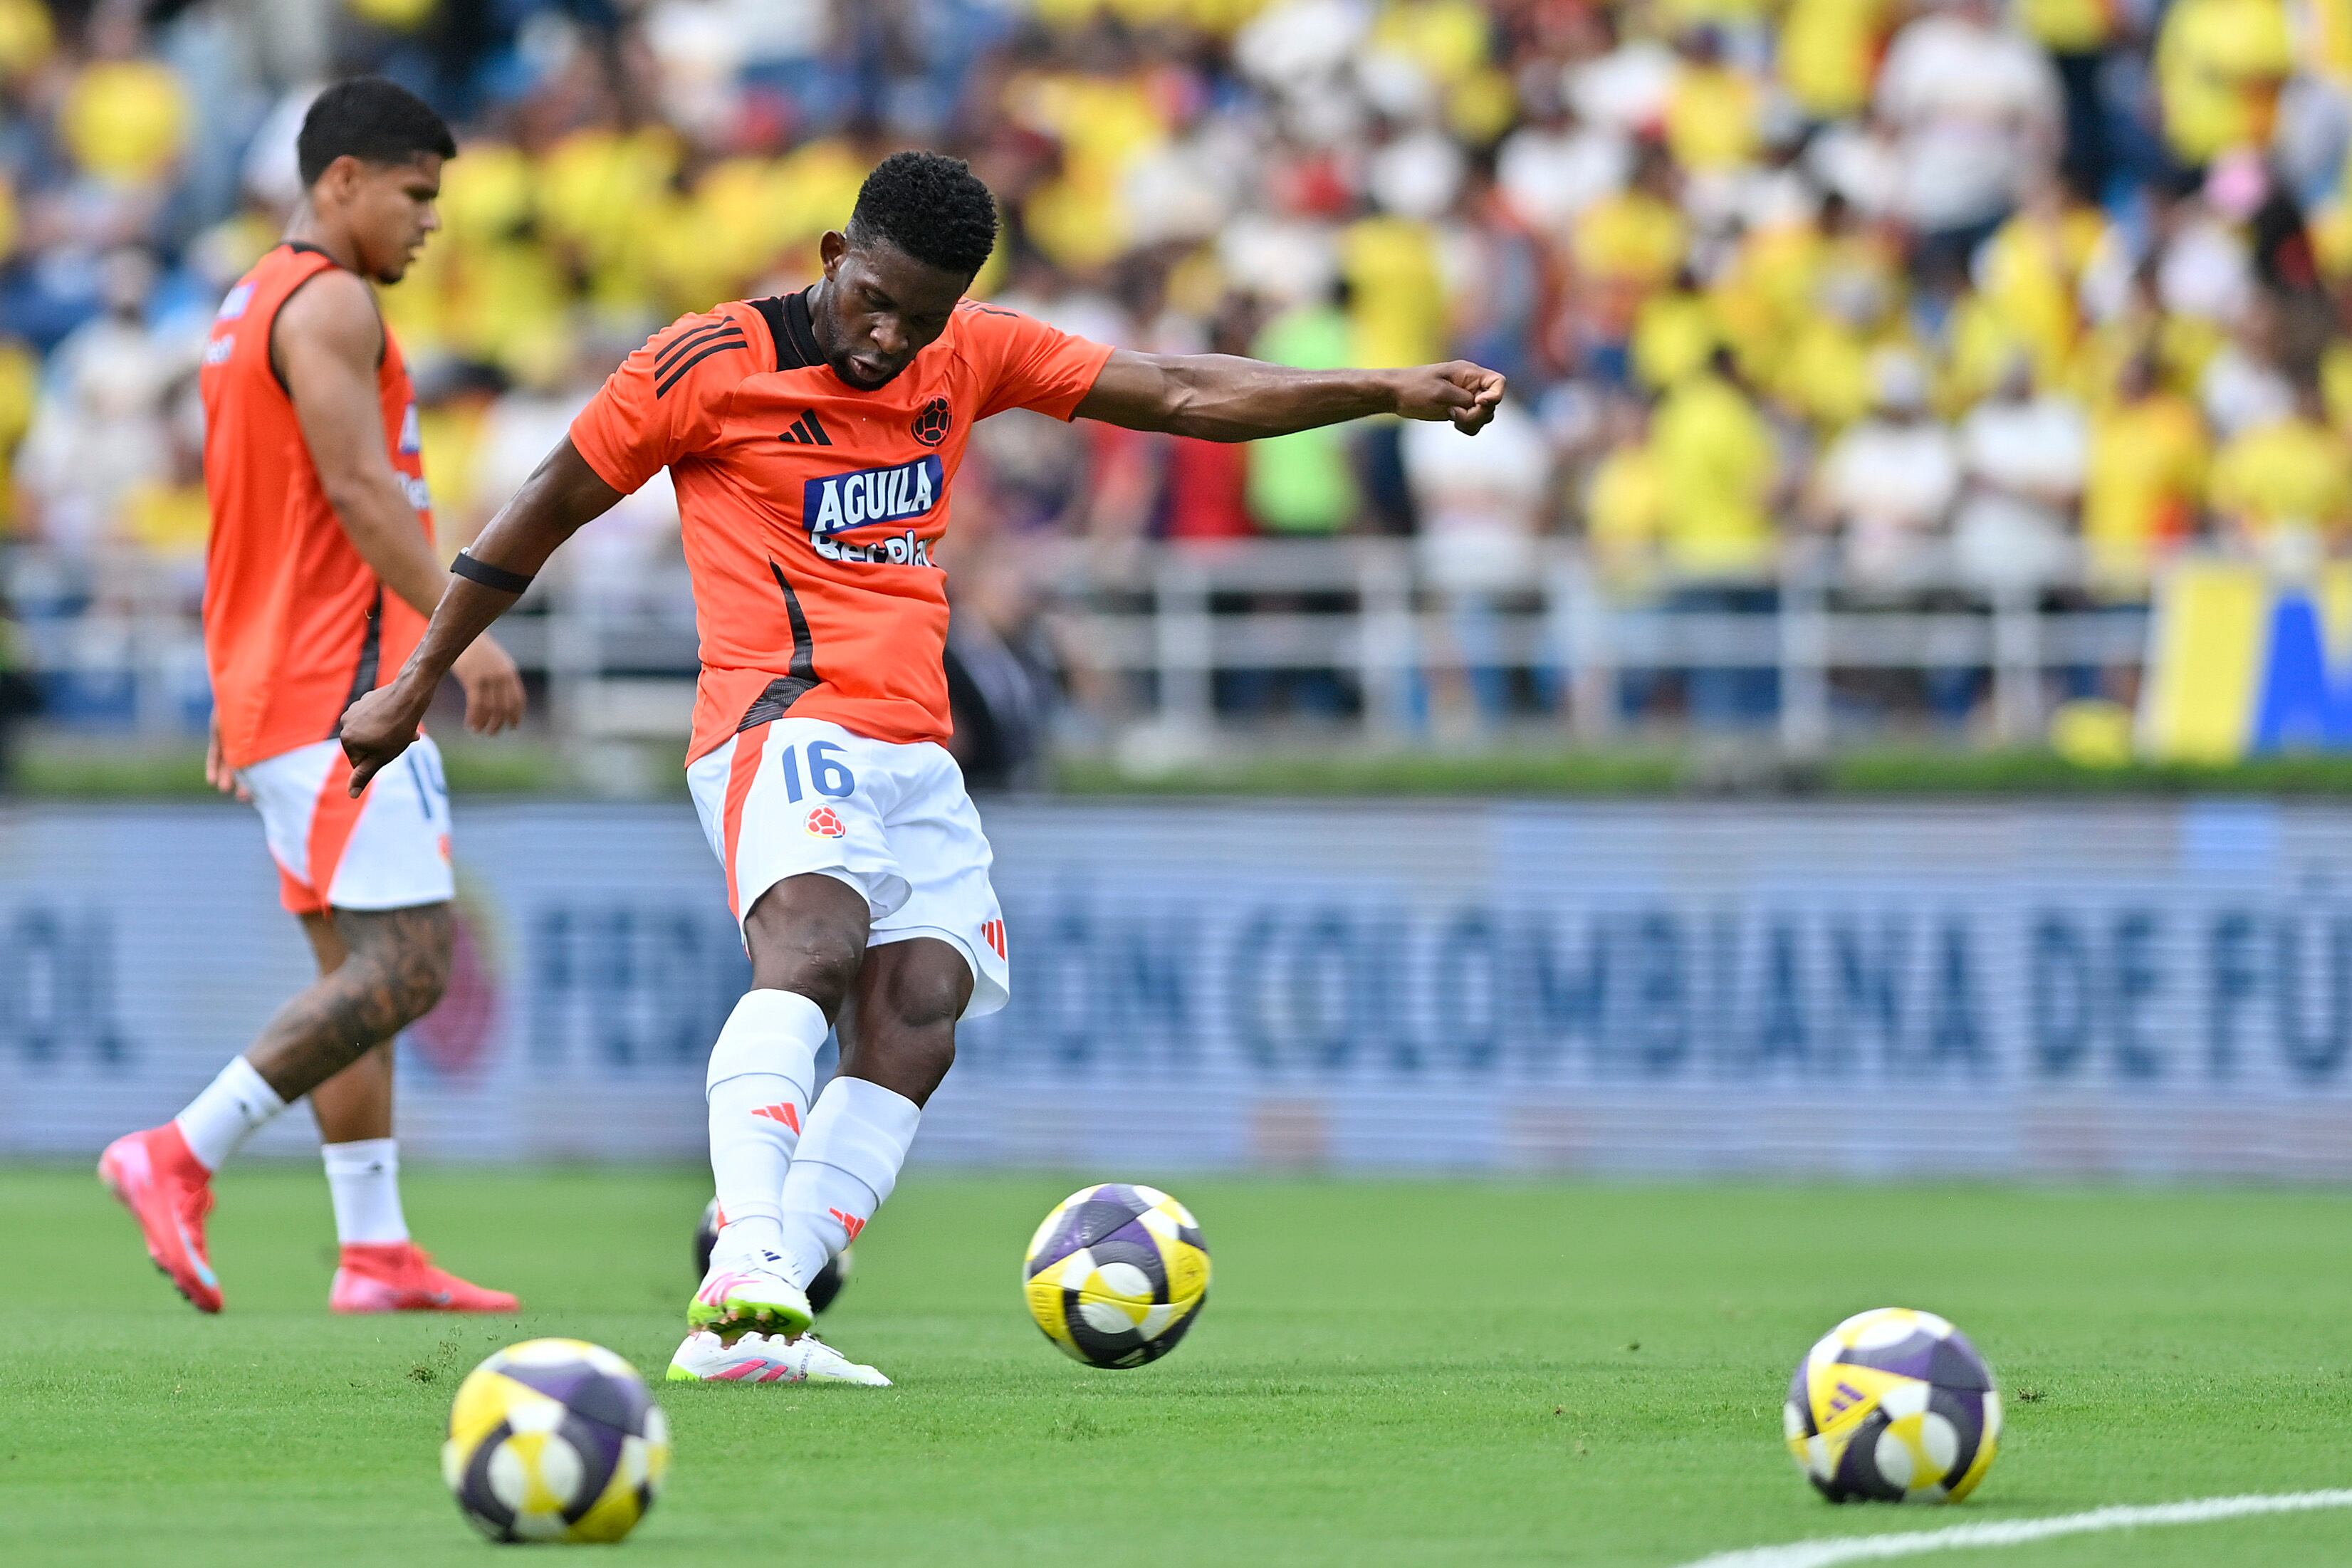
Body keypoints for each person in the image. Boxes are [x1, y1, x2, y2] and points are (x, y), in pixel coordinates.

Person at [339, 150, 1505, 1386]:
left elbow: (1179, 391)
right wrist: (421, 677)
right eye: (874, 301)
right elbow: (548, 501)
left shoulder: (972, 352)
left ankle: (747, 1325)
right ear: (836, 257)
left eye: (925, 315)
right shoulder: (708, 363)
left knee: (920, 1015)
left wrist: (1385, 386)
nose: (893, 338)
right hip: (779, 718)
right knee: (816, 944)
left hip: (915, 744)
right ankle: (744, 1254)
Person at [97, 79, 526, 1317]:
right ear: (342, 180)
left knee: (354, 967)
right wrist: (465, 632)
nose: (430, 223)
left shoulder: (248, 304)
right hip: (343, 679)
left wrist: (246, 699)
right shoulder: (331, 300)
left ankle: (374, 1247)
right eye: (416, 195)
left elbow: (255, 516)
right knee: (411, 963)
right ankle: (179, 1150)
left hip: (276, 678)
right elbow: (354, 488)